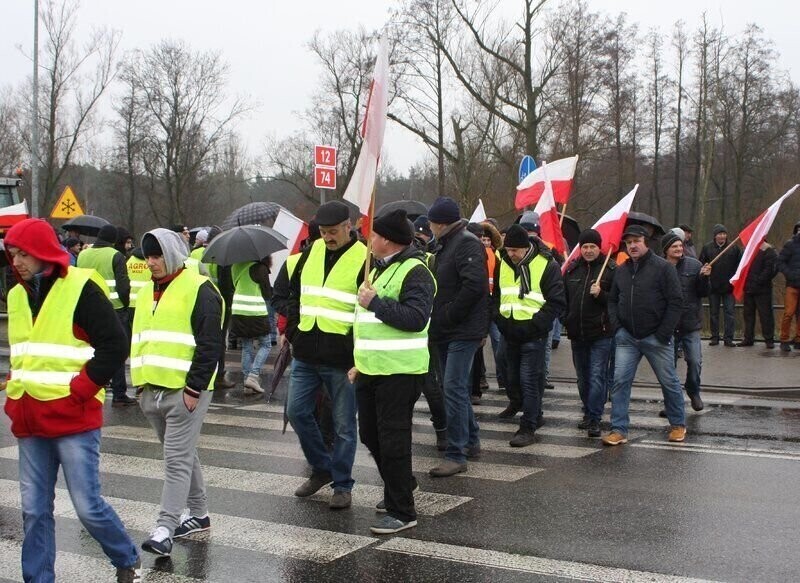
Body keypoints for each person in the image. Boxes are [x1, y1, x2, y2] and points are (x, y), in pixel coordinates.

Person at [2, 218, 141, 583]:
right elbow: (27, 352)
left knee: (87, 507)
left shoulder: (80, 288)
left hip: (73, 417)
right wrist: (15, 383)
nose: (15, 261)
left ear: (42, 252)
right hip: (30, 417)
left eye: (22, 254)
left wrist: (80, 390)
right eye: (11, 253)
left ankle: (125, 557)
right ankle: (38, 578)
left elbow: (115, 345)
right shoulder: (17, 295)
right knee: (33, 510)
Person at [132, 228, 223, 556]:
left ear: (172, 253)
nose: (152, 262)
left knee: (175, 459)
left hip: (186, 391)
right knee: (182, 454)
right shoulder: (146, 292)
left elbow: (211, 344)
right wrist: (139, 385)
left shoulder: (201, 289)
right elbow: (141, 336)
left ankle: (164, 529)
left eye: (157, 256)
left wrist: (193, 388)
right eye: (148, 256)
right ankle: (198, 514)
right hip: (152, 390)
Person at [350, 209, 436, 534]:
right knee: (370, 435)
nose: (368, 240)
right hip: (371, 368)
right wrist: (356, 362)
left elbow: (415, 319)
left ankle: (402, 511)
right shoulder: (379, 268)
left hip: (401, 370)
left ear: (386, 239)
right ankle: (402, 484)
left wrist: (375, 303)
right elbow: (365, 324)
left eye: (372, 235)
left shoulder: (416, 271)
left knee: (392, 440)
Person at [278, 201, 366, 509]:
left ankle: (342, 484)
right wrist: (293, 331)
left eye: (333, 232)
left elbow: (366, 312)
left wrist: (358, 354)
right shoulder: (311, 252)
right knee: (296, 412)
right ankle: (322, 468)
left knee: (344, 426)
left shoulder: (363, 259)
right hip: (306, 352)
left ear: (349, 226)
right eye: (323, 232)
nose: (327, 237)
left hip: (342, 357)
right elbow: (293, 293)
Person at [603, 225, 687, 445]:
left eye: (636, 241)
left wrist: (663, 333)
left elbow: (676, 302)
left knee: (668, 381)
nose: (632, 246)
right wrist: (617, 328)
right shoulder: (621, 270)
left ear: (646, 242)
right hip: (627, 337)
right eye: (628, 242)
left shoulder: (663, 268)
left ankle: (678, 424)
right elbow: (612, 300)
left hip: (656, 337)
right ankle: (619, 429)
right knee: (620, 382)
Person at [425, 197, 489, 477]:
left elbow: (474, 286)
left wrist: (449, 314)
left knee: (452, 388)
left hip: (462, 329)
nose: (429, 227)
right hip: (448, 329)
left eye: (431, 223)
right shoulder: (446, 244)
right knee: (456, 388)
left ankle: (456, 453)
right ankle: (471, 440)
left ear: (439, 223)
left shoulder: (465, 243)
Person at [492, 224, 565, 447]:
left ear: (526, 248)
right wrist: (500, 319)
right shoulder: (503, 262)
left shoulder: (545, 265)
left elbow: (556, 302)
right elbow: (497, 295)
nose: (511, 254)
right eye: (509, 249)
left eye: (516, 250)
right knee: (511, 379)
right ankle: (533, 413)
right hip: (509, 330)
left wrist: (536, 325)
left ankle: (528, 426)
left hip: (534, 333)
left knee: (529, 380)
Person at [563, 229, 615, 438]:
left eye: (592, 246)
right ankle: (587, 412)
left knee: (596, 377)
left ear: (599, 247)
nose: (588, 250)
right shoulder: (572, 270)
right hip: (577, 333)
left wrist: (601, 294)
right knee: (582, 378)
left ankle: (595, 418)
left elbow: (616, 301)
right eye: (585, 246)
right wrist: (565, 319)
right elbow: (564, 299)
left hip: (601, 334)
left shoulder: (610, 269)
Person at [77, 224, 136, 407]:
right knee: (115, 350)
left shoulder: (82, 254)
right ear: (113, 240)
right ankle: (119, 393)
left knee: (89, 350)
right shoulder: (115, 256)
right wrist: (125, 304)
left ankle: (92, 387)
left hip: (85, 307)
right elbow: (123, 285)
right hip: (114, 308)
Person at [662, 231, 710, 412]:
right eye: (674, 246)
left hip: (690, 324)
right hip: (667, 325)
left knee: (695, 361)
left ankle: (693, 390)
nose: (679, 249)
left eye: (680, 246)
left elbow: (703, 292)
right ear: (666, 249)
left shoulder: (694, 265)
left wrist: (704, 278)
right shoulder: (659, 267)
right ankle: (671, 402)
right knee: (668, 367)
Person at [231, 256, 273, 393]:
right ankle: (253, 376)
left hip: (238, 311)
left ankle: (246, 381)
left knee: (247, 346)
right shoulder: (260, 268)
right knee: (266, 344)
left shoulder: (235, 266)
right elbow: (267, 293)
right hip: (256, 312)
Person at [698, 224, 741, 347]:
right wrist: (705, 271)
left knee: (730, 313)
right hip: (713, 287)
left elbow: (739, 266)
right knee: (714, 313)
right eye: (719, 234)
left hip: (729, 287)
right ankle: (715, 337)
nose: (722, 236)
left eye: (724, 233)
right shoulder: (707, 248)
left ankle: (728, 338)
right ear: (715, 235)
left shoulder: (733, 248)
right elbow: (701, 264)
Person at [739, 240, 778, 349]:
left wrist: (758, 281)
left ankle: (769, 339)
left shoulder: (769, 250)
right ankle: (748, 338)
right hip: (748, 288)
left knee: (766, 315)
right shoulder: (747, 250)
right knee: (748, 315)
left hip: (763, 289)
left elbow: (770, 270)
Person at [777, 221, 800, 351]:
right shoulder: (790, 245)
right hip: (792, 285)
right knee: (789, 313)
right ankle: (784, 339)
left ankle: (798, 339)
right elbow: (780, 262)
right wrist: (789, 274)